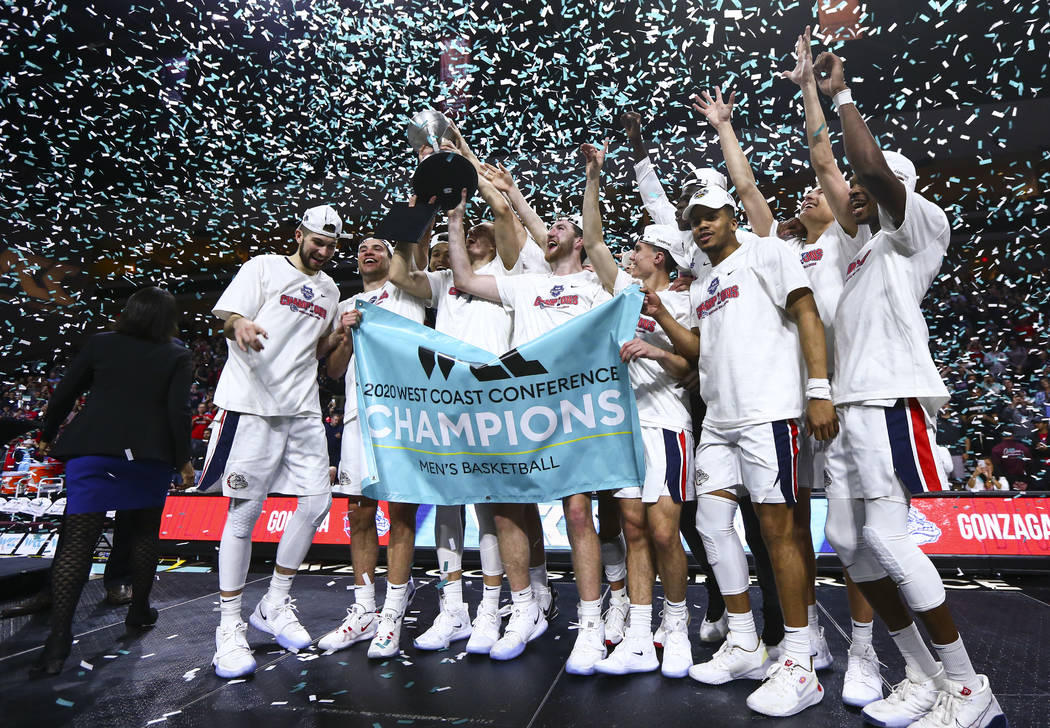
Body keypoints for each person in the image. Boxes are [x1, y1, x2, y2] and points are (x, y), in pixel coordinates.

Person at [813, 49, 1007, 727]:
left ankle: (967, 687)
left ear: (897, 186)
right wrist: (808, 96)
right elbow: (835, 175)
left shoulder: (916, 226)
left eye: (870, 186)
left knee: (891, 543)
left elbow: (861, 168)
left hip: (889, 398)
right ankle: (922, 676)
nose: (854, 194)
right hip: (849, 405)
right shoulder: (861, 248)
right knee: (846, 537)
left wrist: (840, 98)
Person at [644, 177, 836, 716]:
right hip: (721, 422)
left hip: (767, 414)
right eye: (694, 217)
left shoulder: (769, 251)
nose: (702, 223)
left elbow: (806, 314)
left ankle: (799, 661)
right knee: (709, 527)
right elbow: (703, 349)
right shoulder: (705, 284)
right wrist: (662, 317)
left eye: (710, 213)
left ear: (731, 215)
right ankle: (746, 642)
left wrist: (817, 390)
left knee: (779, 536)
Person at [448, 171, 619, 674]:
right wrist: (457, 220)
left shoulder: (594, 284)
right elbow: (463, 280)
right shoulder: (525, 284)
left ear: (581, 241)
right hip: (522, 410)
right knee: (507, 513)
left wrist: (586, 185)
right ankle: (523, 610)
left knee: (579, 515)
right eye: (550, 224)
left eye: (563, 224)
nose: (553, 229)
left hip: (576, 412)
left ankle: (590, 627)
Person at [201, 205, 343, 679]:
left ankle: (275, 603)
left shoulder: (331, 290)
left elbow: (317, 350)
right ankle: (229, 629)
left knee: (317, 503)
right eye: (317, 241)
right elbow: (228, 317)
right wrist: (239, 324)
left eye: (330, 245)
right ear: (299, 234)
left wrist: (338, 334)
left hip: (302, 407)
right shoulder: (262, 266)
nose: (323, 251)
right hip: (251, 404)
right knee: (243, 513)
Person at [575, 141, 697, 679]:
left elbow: (691, 370)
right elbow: (594, 241)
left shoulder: (690, 299)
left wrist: (656, 346)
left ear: (661, 257)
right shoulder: (624, 291)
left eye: (641, 247)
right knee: (632, 528)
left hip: (667, 422)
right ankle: (642, 634)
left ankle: (678, 627)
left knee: (666, 531)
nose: (631, 252)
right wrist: (594, 178)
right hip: (624, 425)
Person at [32, 286, 195, 675]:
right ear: (167, 318)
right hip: (148, 455)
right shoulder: (177, 353)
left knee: (77, 545)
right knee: (142, 535)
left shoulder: (101, 343)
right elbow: (178, 412)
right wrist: (182, 461)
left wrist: (47, 432)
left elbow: (66, 392)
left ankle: (57, 642)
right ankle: (138, 611)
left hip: (94, 450)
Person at [316, 234, 429, 659]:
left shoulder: (408, 291)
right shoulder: (344, 305)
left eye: (378, 248)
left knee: (399, 513)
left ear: (391, 256)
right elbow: (333, 371)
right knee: (359, 513)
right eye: (362, 248)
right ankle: (364, 610)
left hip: (402, 417)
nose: (368, 252)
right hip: (356, 419)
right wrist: (343, 337)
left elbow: (415, 245)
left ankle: (393, 615)